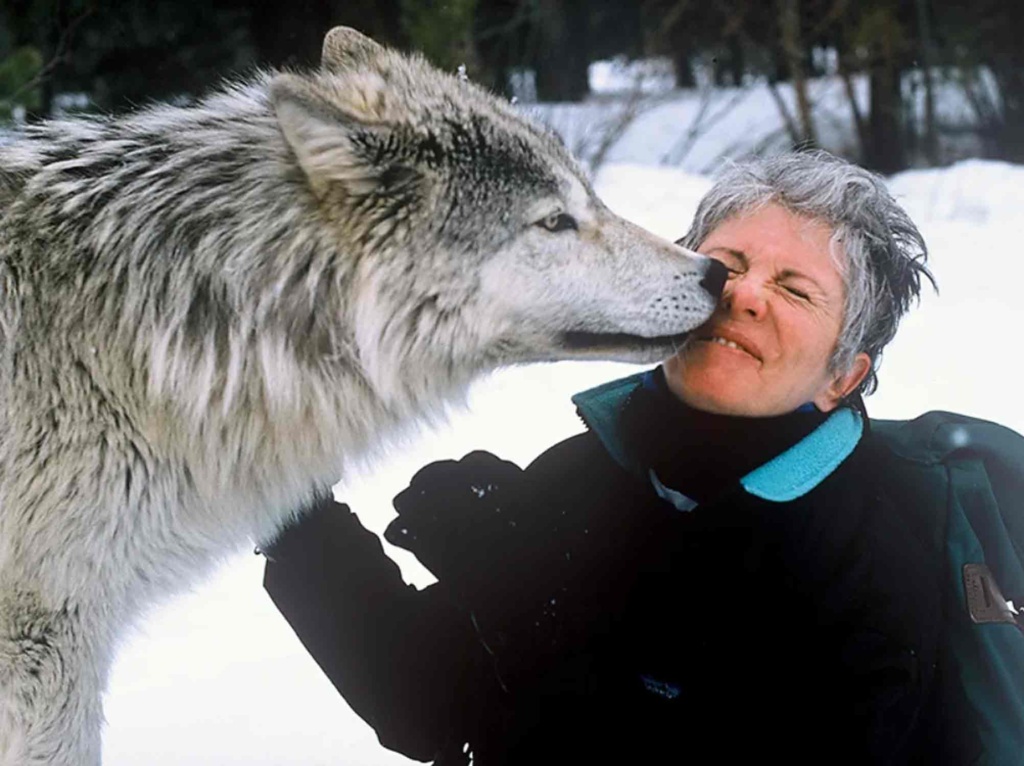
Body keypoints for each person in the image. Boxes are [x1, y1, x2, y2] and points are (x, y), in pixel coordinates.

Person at [261, 151, 983, 764]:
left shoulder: (871, 556)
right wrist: (290, 506)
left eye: (795, 290)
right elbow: (429, 705)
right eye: (726, 263)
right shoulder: (593, 470)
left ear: (842, 377)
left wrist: (524, 610)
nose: (744, 295)